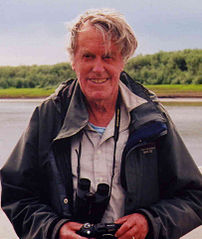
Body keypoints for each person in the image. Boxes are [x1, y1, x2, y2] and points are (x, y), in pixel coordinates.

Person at [1, 8, 202, 239]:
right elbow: (16, 195)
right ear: (74, 61)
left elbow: (194, 196)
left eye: (108, 57)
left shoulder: (152, 118)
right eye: (88, 56)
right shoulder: (49, 115)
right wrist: (54, 230)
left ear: (122, 61)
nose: (98, 68)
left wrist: (150, 221)